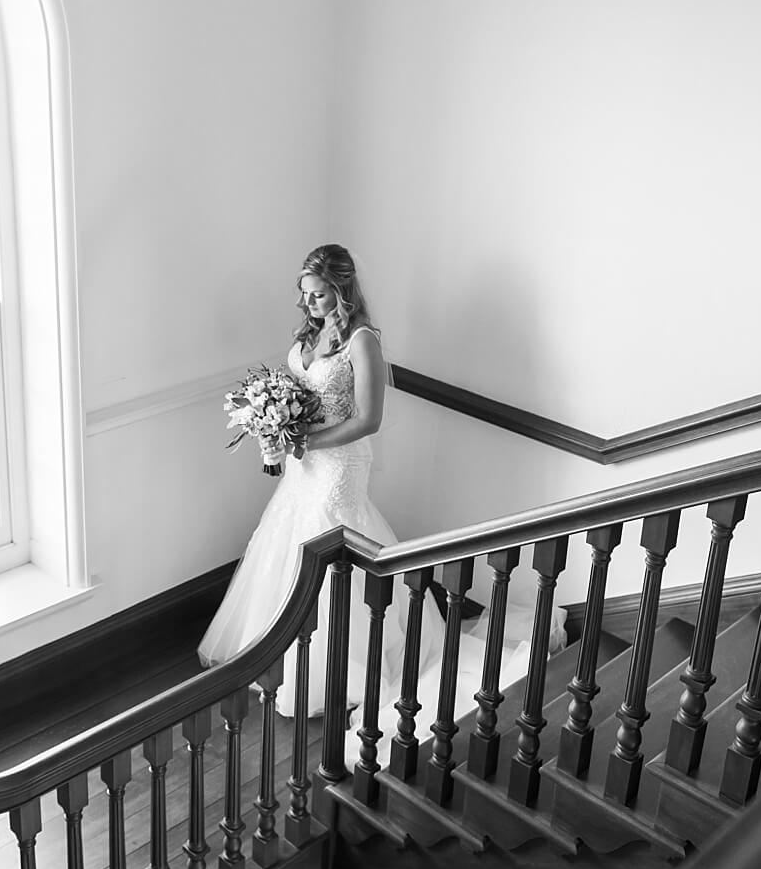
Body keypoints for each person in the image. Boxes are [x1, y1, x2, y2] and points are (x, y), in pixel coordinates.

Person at [199, 245, 559, 729]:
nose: (310, 304)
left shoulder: (362, 341)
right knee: (285, 540)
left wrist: (307, 438)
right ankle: (273, 651)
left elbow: (369, 419)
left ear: (342, 290)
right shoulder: (309, 334)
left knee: (332, 548)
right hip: (303, 466)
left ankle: (335, 669)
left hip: (339, 467)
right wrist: (277, 424)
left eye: (320, 295)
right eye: (305, 294)